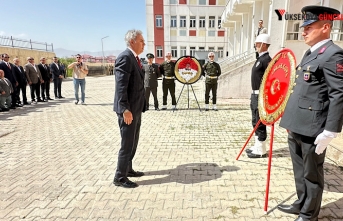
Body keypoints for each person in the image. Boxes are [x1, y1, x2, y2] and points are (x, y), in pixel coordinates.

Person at [278, 6, 343, 221]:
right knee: (299, 171)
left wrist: (330, 131)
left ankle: (309, 214)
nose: (303, 31)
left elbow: (338, 95)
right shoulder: (311, 52)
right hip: (298, 124)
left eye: (308, 27)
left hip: (314, 128)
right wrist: (290, 119)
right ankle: (301, 202)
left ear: (325, 27)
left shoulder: (333, 54)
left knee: (312, 173)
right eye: (303, 27)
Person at [113, 29, 146, 188]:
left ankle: (128, 168)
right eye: (141, 41)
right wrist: (125, 108)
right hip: (128, 111)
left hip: (136, 109)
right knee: (127, 143)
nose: (144, 44)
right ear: (132, 41)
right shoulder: (125, 57)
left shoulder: (135, 58)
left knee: (133, 141)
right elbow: (121, 86)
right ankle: (119, 177)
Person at [245, 34, 271, 158]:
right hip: (255, 95)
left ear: (264, 44)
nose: (255, 45)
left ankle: (261, 150)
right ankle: (257, 145)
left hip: (261, 96)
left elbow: (270, 79)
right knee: (255, 120)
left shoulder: (266, 60)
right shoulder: (260, 58)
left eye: (257, 43)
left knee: (260, 122)